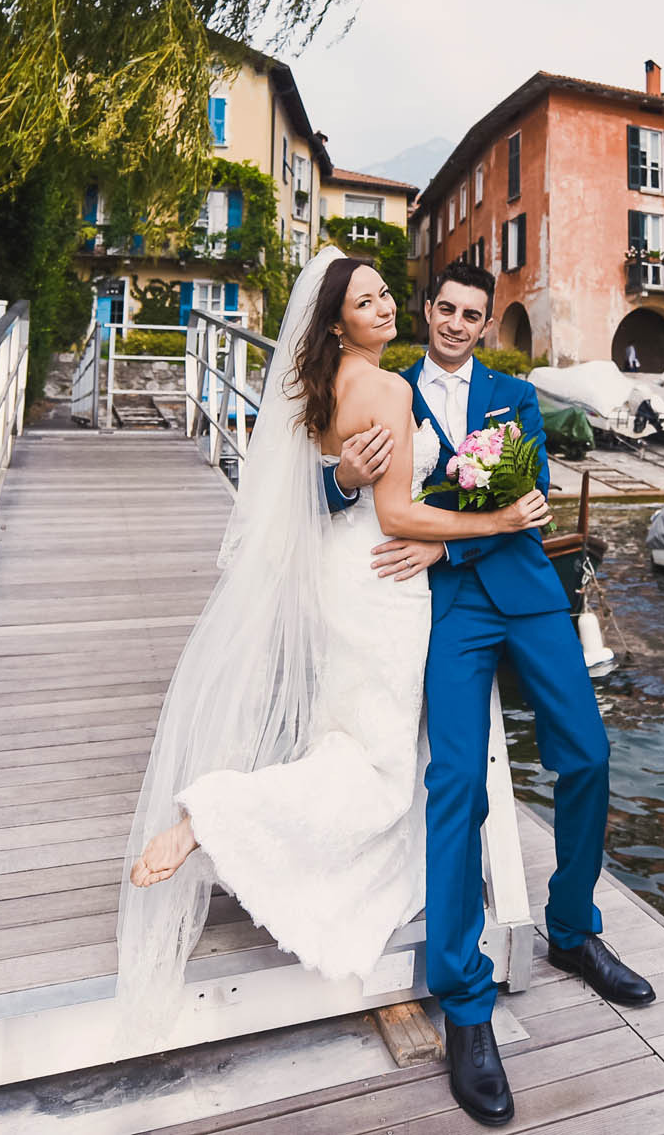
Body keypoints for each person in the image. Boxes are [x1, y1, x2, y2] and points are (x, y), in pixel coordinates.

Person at [116, 250, 551, 1046]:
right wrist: (496, 520)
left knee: (354, 739)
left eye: (387, 293)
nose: (387, 306)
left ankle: (266, 833)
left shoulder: (314, 387)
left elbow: (320, 486)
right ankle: (212, 813)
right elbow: (398, 519)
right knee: (378, 769)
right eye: (367, 300)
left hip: (338, 582)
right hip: (384, 586)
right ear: (337, 319)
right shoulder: (386, 387)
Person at [336, 259, 655, 1126]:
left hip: (525, 590)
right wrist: (344, 480)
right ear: (428, 311)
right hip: (448, 615)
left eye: (473, 314)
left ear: (484, 324)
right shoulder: (386, 388)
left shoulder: (513, 396)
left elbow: (532, 499)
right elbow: (340, 484)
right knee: (456, 787)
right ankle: (463, 1000)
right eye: (445, 308)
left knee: (587, 752)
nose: (456, 323)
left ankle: (572, 927)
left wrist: (450, 545)